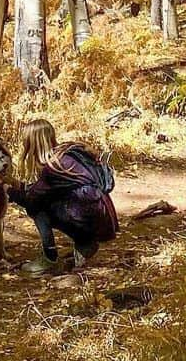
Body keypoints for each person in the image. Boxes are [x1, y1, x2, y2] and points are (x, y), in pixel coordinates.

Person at [8, 118, 118, 275]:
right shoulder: (65, 154)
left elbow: (31, 199)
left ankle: (49, 258)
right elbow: (42, 189)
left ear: (32, 143)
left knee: (36, 208)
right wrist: (14, 184)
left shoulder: (52, 168)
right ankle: (84, 244)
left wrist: (7, 190)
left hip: (90, 217)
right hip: (103, 216)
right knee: (45, 202)